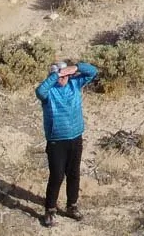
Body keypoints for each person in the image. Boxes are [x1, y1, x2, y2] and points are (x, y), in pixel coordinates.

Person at [33, 60, 97, 227]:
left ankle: (71, 206)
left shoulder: (75, 84)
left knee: (74, 174)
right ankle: (50, 210)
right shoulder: (49, 93)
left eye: (65, 75)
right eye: (59, 76)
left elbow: (92, 71)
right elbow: (39, 90)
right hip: (56, 141)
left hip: (76, 137)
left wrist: (75, 67)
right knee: (57, 176)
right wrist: (56, 75)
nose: (63, 79)